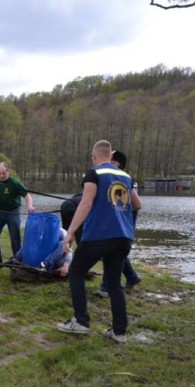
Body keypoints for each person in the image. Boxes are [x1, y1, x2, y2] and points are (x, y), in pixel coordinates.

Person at [56, 140, 142, 344]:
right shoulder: (125, 176)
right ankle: (119, 332)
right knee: (114, 284)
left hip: (100, 235)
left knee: (76, 271)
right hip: (124, 237)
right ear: (110, 156)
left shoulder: (93, 173)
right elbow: (138, 204)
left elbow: (85, 204)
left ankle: (81, 321)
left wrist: (70, 232)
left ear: (94, 156)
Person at [95, 150, 141, 297]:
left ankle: (105, 287)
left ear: (119, 163)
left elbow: (137, 205)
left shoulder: (127, 180)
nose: (107, 162)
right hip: (116, 222)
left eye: (111, 160)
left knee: (112, 251)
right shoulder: (109, 177)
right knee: (116, 253)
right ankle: (132, 277)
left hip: (125, 221)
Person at [0, 162, 35, 268]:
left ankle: (17, 261)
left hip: (13, 213)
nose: (2, 176)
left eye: (4, 173)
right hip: (0, 212)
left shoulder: (15, 182)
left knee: (15, 238)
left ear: (8, 172)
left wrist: (29, 206)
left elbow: (27, 195)